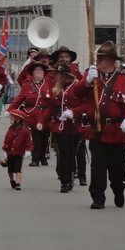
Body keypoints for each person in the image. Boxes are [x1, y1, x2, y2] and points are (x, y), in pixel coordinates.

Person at [72, 41, 125, 209]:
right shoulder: (92, 75)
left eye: (102, 59)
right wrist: (86, 80)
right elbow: (76, 93)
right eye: (98, 58)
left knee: (117, 167)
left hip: (117, 131)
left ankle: (118, 190)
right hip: (97, 130)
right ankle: (98, 197)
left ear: (112, 61)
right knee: (98, 166)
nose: (98, 62)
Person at [44, 59, 84, 192]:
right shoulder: (56, 89)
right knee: (63, 153)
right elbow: (51, 108)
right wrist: (41, 122)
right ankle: (64, 181)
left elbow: (84, 105)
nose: (55, 76)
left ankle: (72, 175)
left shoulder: (77, 87)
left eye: (58, 74)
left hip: (74, 125)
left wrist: (74, 112)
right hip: (59, 125)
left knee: (73, 153)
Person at [8, 62, 51, 167]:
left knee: (45, 137)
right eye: (36, 70)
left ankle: (43, 156)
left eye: (40, 70)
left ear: (44, 73)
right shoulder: (28, 84)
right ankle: (35, 158)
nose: (38, 72)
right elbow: (19, 98)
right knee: (35, 138)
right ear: (32, 73)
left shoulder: (49, 83)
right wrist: (10, 110)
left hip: (46, 114)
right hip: (32, 114)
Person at [2, 109, 33, 190]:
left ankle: (18, 183)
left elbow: (29, 141)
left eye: (12, 119)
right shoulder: (10, 129)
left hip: (19, 153)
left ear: (18, 120)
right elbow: (7, 140)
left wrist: (29, 150)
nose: (10, 121)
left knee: (18, 169)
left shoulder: (25, 131)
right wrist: (5, 150)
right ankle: (12, 180)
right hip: (10, 152)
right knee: (10, 169)